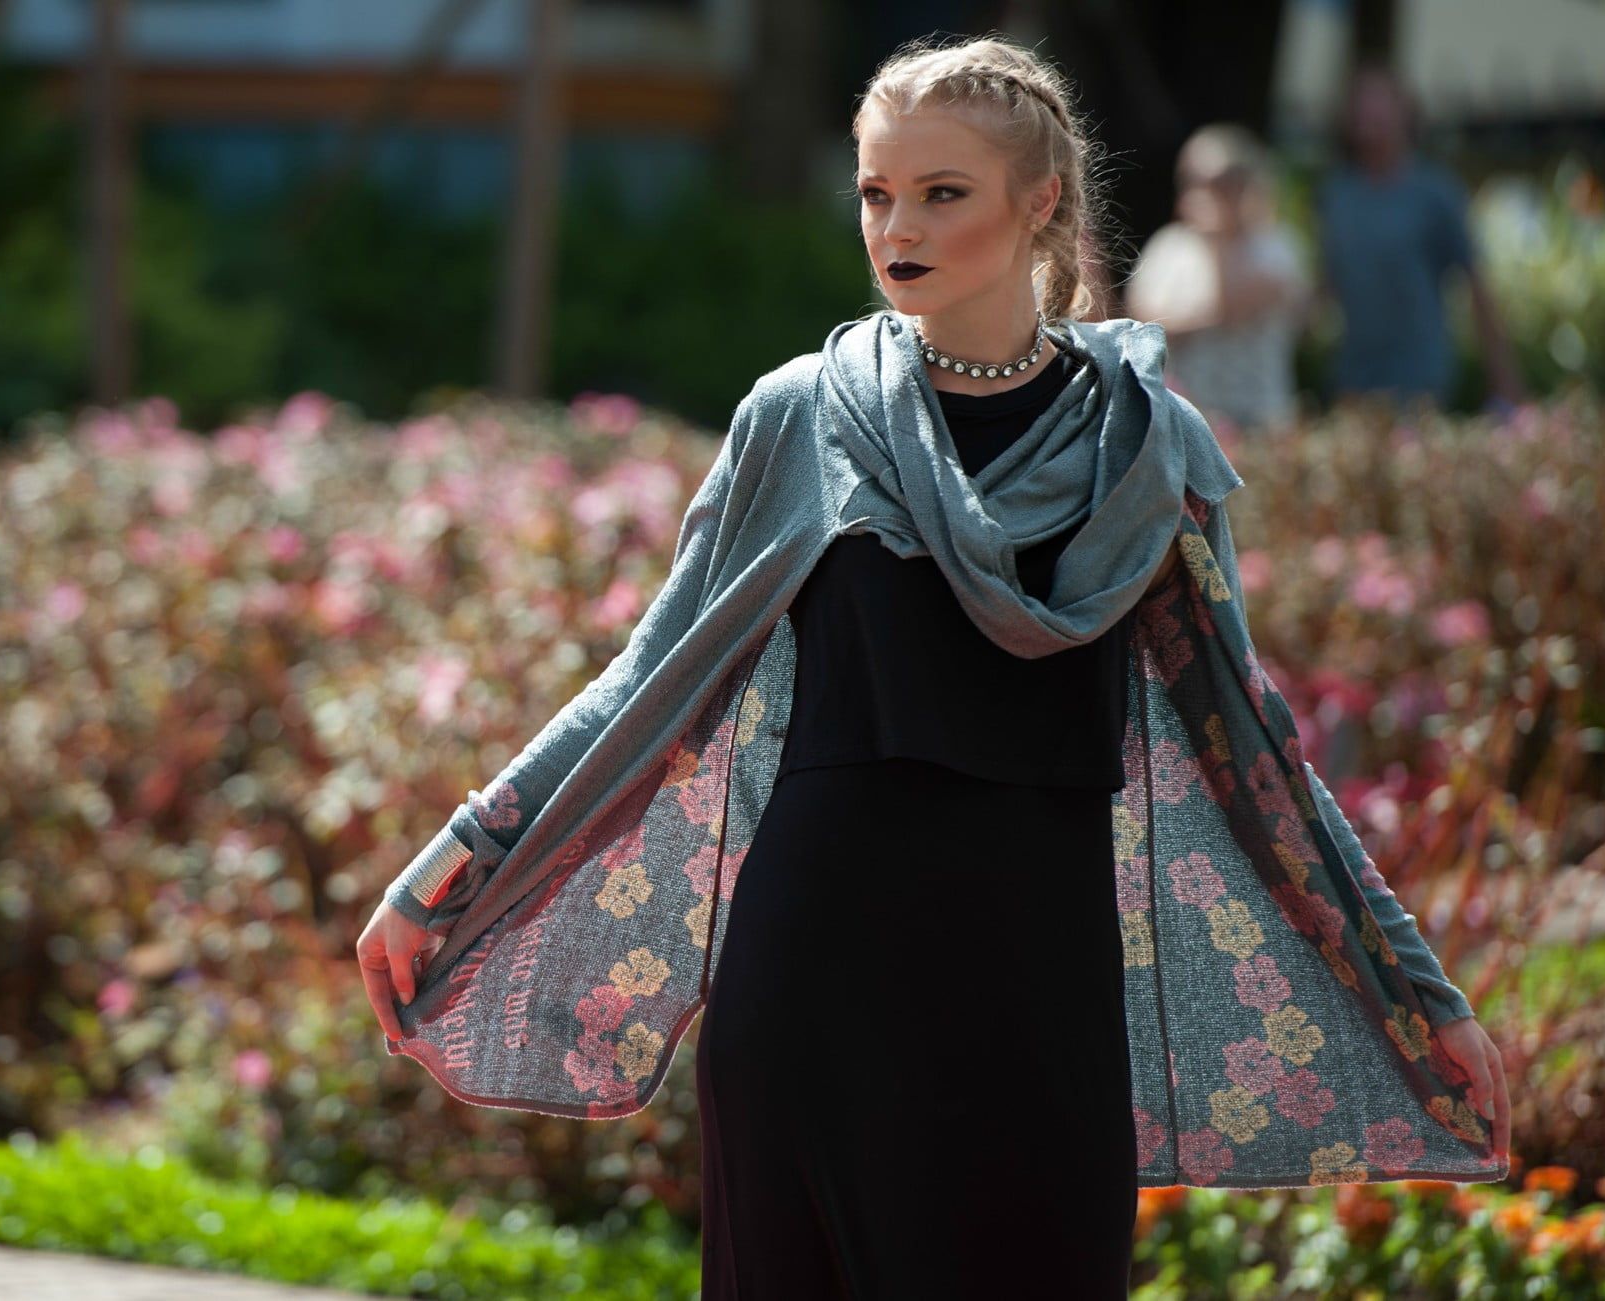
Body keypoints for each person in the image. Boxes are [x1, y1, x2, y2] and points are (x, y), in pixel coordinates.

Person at [359, 33, 1511, 1301]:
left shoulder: (1144, 442)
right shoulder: (805, 415)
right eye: (874, 191)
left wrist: (1416, 988)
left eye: (939, 192)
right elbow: (647, 674)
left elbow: (1252, 746)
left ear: (1039, 200)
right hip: (819, 977)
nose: (895, 227)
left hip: (1040, 987)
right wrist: (448, 863)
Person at [1315, 61, 1524, 415]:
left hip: (1419, 378)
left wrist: (1505, 380)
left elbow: (1476, 285)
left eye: (1379, 101)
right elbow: (1327, 284)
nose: (1369, 112)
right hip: (1353, 377)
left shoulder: (1435, 192)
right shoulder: (1336, 195)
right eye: (1360, 103)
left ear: (1404, 112)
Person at [1126, 124, 1311, 434]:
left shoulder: (1277, 247)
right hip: (1187, 422)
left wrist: (1218, 249)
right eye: (1195, 182)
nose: (1208, 196)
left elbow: (1238, 310)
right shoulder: (1168, 248)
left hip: (1263, 422)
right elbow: (1141, 329)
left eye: (1223, 184)